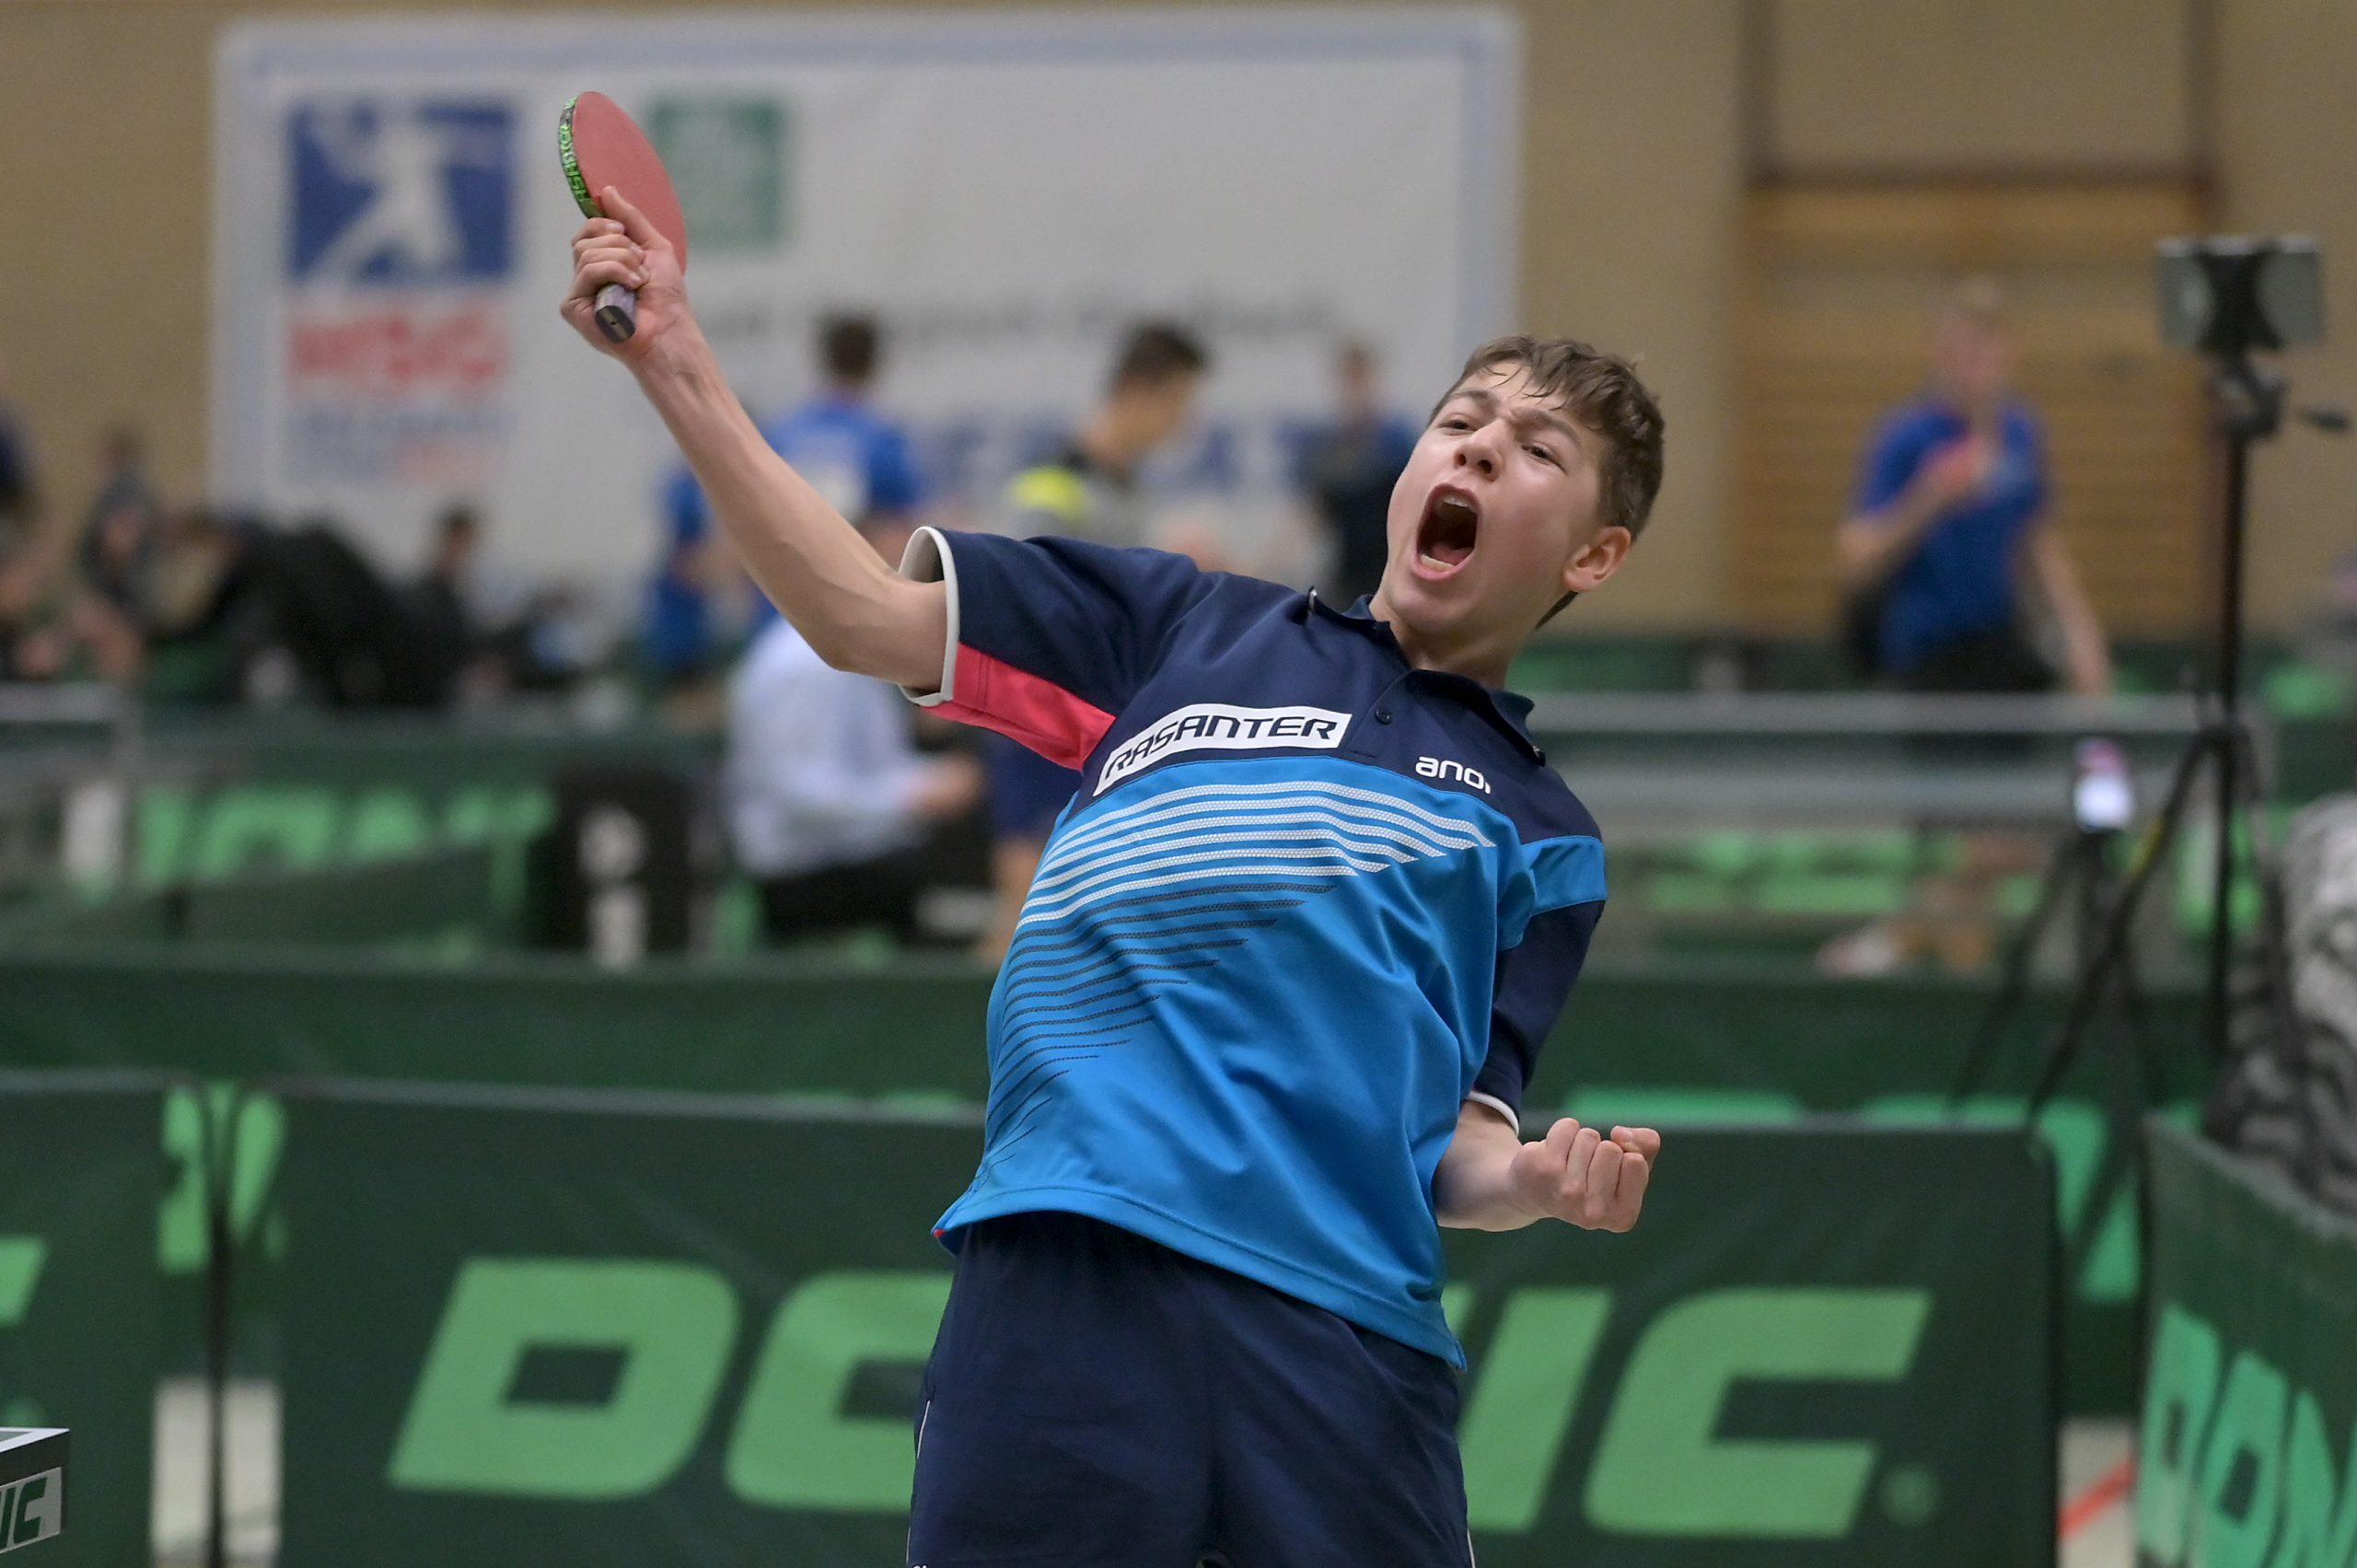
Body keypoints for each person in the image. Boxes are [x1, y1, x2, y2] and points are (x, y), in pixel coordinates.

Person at [565, 193, 1663, 1568]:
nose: (1482, 446)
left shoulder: (1543, 833)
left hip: (1338, 1339)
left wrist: (1536, 1180)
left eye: (1537, 449)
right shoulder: (1185, 627)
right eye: (1462, 422)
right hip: (1065, 1269)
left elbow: (1456, 1142)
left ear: (1593, 554)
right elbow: (856, 610)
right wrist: (672, 356)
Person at [977, 321, 1210, 960]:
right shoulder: (1051, 486)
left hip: (1102, 723)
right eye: (1177, 403)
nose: (1183, 423)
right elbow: (1026, 606)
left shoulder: (1127, 492)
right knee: (1021, 920)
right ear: (1137, 390)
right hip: (1040, 719)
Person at [1834, 277, 2109, 696]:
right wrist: (1930, 499)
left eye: (1984, 346)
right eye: (1959, 348)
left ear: (2008, 351)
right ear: (1936, 353)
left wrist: (2081, 634)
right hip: (1927, 653)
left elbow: (2036, 541)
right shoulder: (1905, 438)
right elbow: (1854, 561)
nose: (1973, 362)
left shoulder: (2020, 433)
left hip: (2000, 643)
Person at [726, 507, 983, 948]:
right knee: (961, 880)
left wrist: (934, 780)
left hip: (855, 853)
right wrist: (917, 796)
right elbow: (802, 794)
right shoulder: (803, 666)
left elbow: (874, 765)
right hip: (804, 877)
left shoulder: (854, 651)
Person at [644, 313, 925, 696]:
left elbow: (735, 541)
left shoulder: (781, 434)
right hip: (854, 637)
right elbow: (901, 544)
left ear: (822, 359)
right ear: (876, 363)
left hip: (776, 633)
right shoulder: (881, 439)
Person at [1299, 340, 1421, 603]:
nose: (1354, 388)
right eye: (1348, 379)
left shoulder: (1396, 440)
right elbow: (1314, 513)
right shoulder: (1332, 449)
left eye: (1360, 377)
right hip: (1348, 575)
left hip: (1389, 570)